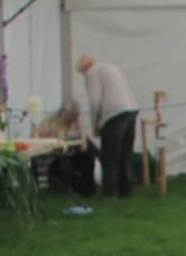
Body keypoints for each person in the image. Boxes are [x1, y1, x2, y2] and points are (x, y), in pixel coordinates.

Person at [76, 54, 138, 197]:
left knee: (110, 155)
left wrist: (95, 124)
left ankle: (110, 190)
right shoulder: (111, 67)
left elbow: (95, 101)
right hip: (131, 109)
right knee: (126, 152)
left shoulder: (92, 73)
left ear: (84, 68)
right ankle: (126, 189)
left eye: (81, 73)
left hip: (113, 114)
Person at [38, 101, 96, 196]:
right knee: (64, 161)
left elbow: (83, 136)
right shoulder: (51, 121)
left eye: (75, 117)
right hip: (54, 156)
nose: (72, 120)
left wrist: (82, 140)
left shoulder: (76, 121)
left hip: (72, 153)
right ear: (64, 114)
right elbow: (40, 134)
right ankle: (81, 189)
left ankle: (89, 188)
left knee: (88, 156)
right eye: (71, 117)